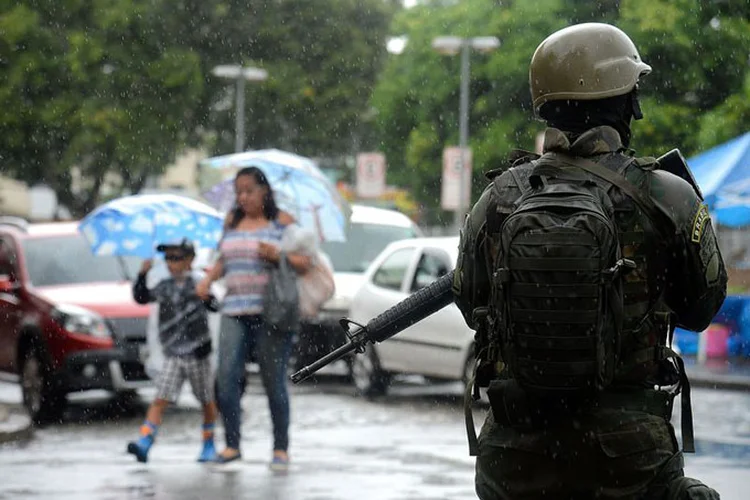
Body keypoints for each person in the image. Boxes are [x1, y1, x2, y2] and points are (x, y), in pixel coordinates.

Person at [453, 23, 728, 499]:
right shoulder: (665, 194)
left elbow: (470, 303)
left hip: (516, 455)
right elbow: (702, 309)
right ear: (621, 101)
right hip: (628, 455)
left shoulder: (498, 197)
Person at [196, 166, 311, 470]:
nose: (243, 197)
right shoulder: (232, 222)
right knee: (225, 379)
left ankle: (280, 448)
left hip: (271, 314)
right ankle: (232, 444)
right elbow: (222, 259)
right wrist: (208, 282)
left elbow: (306, 261)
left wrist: (278, 255)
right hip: (233, 310)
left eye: (249, 190)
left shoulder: (282, 223)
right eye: (239, 192)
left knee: (274, 382)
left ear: (264, 192)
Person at [126, 238, 219, 463]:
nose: (171, 263)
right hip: (173, 353)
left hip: (197, 352)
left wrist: (206, 295)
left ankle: (208, 442)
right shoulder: (165, 286)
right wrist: (142, 274)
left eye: (176, 258)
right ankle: (145, 440)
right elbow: (141, 298)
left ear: (190, 260)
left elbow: (215, 305)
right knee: (161, 397)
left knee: (206, 399)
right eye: (167, 258)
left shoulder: (199, 282)